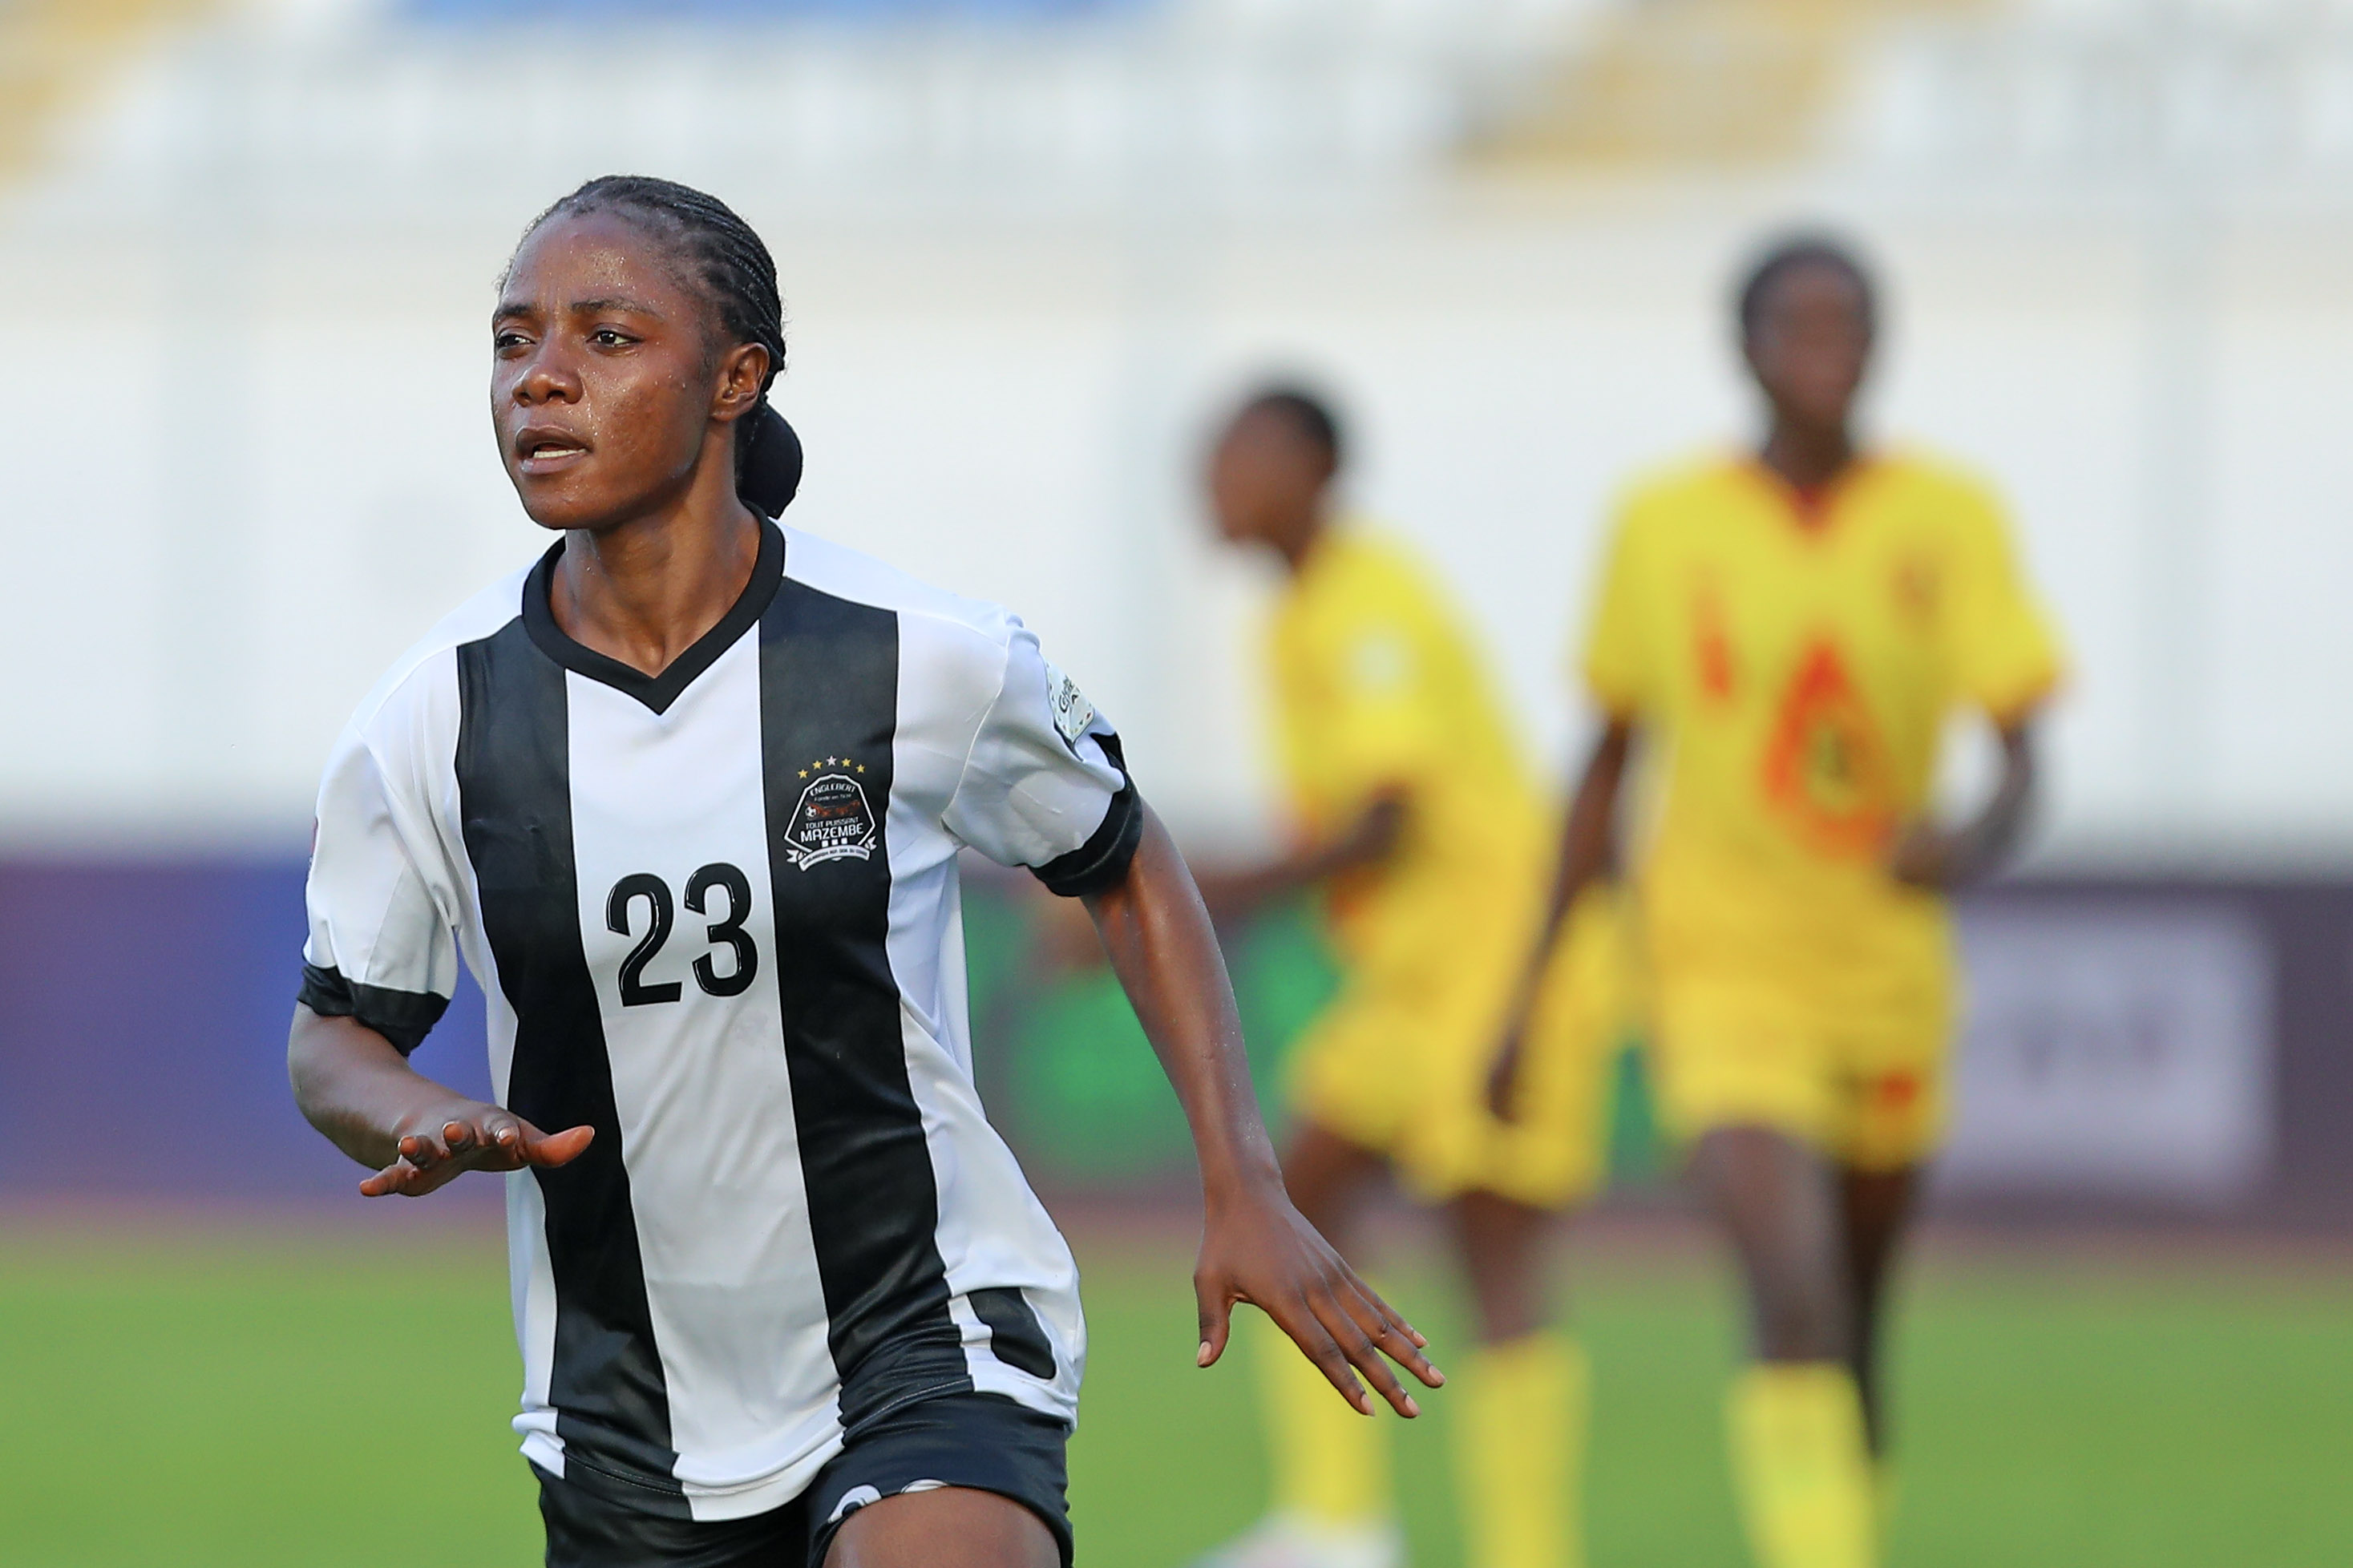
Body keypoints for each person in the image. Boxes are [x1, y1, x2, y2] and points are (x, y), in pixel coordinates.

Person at [285, 176, 1440, 1568]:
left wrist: (1241, 1176)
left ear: (736, 378)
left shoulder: (920, 656)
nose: (540, 381)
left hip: (925, 1329)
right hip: (626, 1413)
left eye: (605, 339)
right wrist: (415, 1111)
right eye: (513, 340)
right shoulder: (431, 717)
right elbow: (336, 1032)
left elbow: (1123, 861)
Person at [1490, 235, 2063, 1568]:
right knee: (1788, 1284)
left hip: (1885, 970)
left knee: (1853, 1317)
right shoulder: (1663, 521)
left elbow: (2026, 748)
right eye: (1803, 326)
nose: (1833, 349)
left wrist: (1967, 838)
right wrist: (1531, 992)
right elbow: (1610, 760)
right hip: (1716, 960)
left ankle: (1843, 1522)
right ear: (1745, 349)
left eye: (1855, 324)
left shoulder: (1948, 516)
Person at [1187, 389, 1623, 1568]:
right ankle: (1338, 1528)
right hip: (1408, 982)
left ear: (1312, 469)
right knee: (1299, 1198)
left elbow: (1384, 819)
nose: (1207, 476)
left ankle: (1528, 1554)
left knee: (1494, 1254)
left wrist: (1190, 894)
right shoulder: (1293, 617)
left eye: (1234, 452)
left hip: (1500, 967)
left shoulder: (1369, 603)